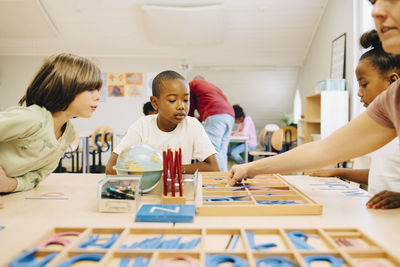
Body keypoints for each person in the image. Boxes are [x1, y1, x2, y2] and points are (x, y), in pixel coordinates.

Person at [228, 0, 400, 210]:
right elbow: (323, 150)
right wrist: (250, 168)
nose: (377, 11)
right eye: (373, 2)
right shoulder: (393, 97)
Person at [309, 30, 400, 209]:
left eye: (364, 84)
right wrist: (338, 172)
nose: (359, 93)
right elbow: (380, 174)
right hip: (381, 219)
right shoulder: (383, 128)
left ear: (393, 82)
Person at [0, 53, 102, 192]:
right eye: (90, 90)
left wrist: (9, 184)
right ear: (65, 88)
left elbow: (38, 176)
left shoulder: (68, 135)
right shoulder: (33, 118)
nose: (98, 97)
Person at [106, 70, 219, 175]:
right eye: (172, 100)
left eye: (185, 100)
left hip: (176, 192)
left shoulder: (193, 125)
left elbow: (213, 167)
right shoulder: (142, 126)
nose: (181, 106)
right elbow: (111, 168)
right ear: (155, 103)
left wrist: (168, 169)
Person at [188, 75, 234, 171]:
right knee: (221, 151)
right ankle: (223, 179)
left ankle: (215, 180)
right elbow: (211, 105)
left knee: (211, 151)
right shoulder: (212, 86)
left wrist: (189, 121)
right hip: (229, 115)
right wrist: (199, 119)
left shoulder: (192, 84)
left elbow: (190, 107)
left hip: (215, 114)